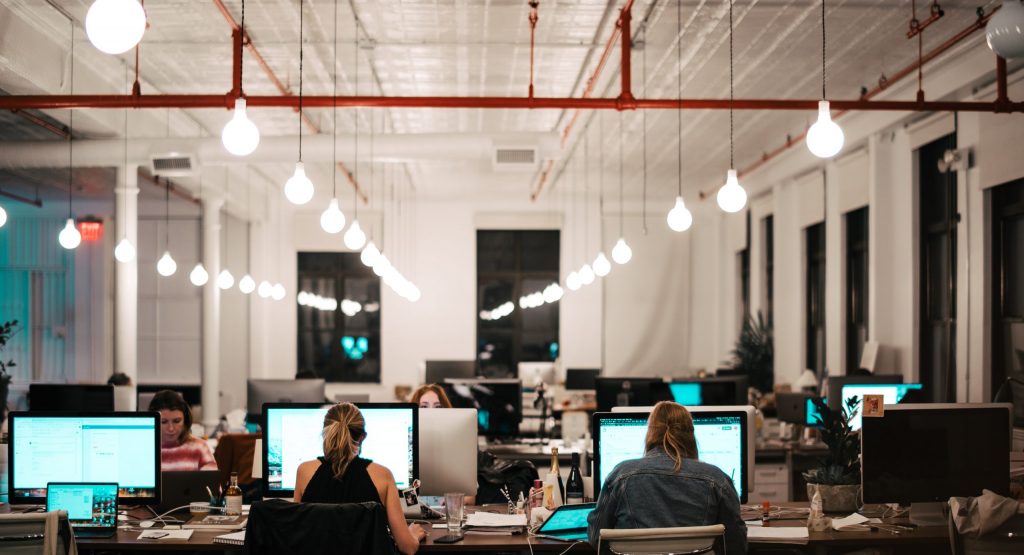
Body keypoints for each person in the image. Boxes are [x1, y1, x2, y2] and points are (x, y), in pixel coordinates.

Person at [587, 401, 746, 554]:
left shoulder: (621, 475)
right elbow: (736, 545)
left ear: (651, 433)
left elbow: (596, 537)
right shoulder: (717, 480)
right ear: (690, 435)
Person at [293, 403, 426, 555]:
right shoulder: (382, 475)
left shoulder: (304, 471)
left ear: (326, 433)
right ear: (362, 437)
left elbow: (296, 536)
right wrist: (413, 535)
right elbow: (407, 548)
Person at [148, 390, 217, 472]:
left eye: (176, 421)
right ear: (152, 421)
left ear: (185, 420)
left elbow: (212, 484)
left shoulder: (199, 447)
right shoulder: (142, 448)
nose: (171, 428)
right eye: (163, 422)